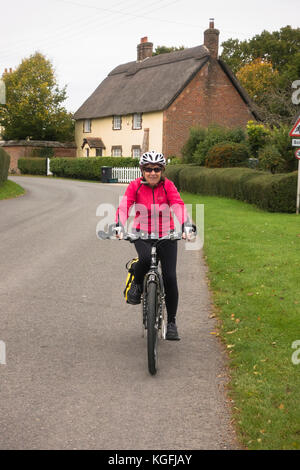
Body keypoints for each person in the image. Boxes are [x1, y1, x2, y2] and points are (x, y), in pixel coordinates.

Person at [114, 151, 193, 341]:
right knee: (146, 259)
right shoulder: (135, 186)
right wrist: (119, 225)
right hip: (142, 233)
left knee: (170, 277)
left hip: (167, 234)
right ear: (142, 170)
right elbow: (125, 207)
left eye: (157, 169)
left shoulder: (168, 186)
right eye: (148, 169)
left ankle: (172, 322)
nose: (152, 172)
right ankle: (137, 283)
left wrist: (186, 225)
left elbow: (178, 205)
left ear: (162, 170)